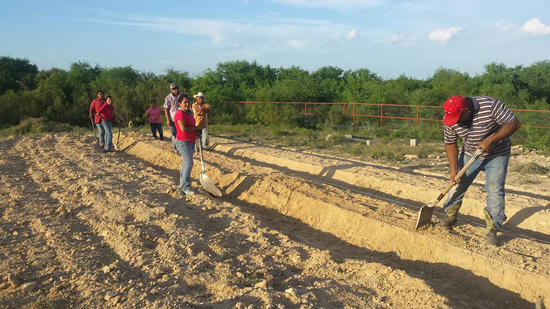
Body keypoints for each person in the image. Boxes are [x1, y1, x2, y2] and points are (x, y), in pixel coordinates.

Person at [440, 95, 521, 246]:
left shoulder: (490, 105)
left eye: (458, 118)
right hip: (470, 153)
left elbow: (514, 124)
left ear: (466, 110)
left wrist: (492, 140)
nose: (455, 122)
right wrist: (453, 169)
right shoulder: (449, 117)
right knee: (457, 183)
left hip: (498, 153)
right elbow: (450, 142)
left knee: (495, 189)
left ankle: (492, 228)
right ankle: (450, 216)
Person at [173, 94, 204, 196]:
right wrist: (196, 128)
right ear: (180, 104)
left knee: (186, 163)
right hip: (183, 141)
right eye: (184, 102)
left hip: (190, 141)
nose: (187, 104)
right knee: (189, 163)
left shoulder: (189, 113)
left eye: (188, 102)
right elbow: (183, 129)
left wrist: (197, 131)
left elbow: (192, 126)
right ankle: (185, 187)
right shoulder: (180, 114)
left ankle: (183, 185)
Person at [164, 82, 181, 151]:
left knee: (181, 132)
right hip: (172, 118)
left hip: (181, 118)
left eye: (176, 88)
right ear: (171, 90)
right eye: (174, 88)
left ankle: (180, 145)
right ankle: (175, 146)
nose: (176, 89)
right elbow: (166, 109)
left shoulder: (182, 96)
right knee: (174, 133)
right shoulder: (168, 98)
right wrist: (168, 119)